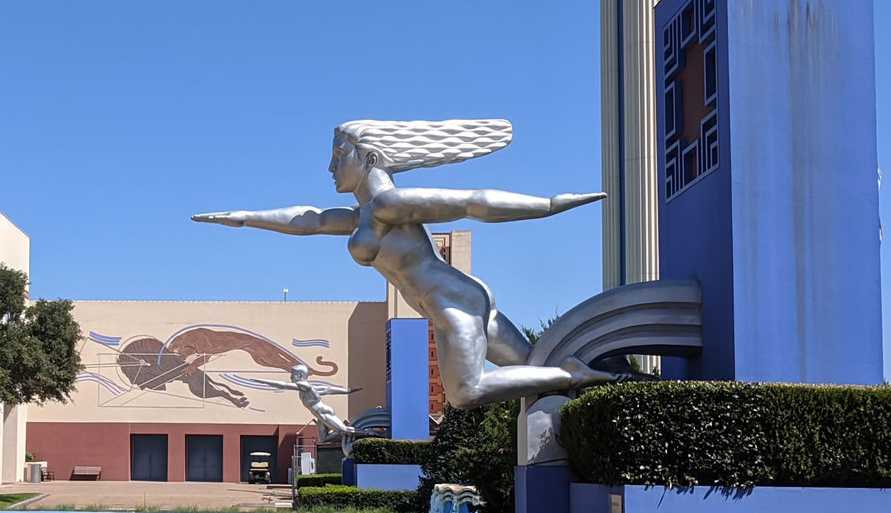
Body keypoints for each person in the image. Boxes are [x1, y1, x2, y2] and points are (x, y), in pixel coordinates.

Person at [193, 119, 617, 408]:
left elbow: (472, 203)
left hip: (454, 303)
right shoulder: (362, 216)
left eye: (339, 156)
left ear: (369, 159)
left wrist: (549, 205)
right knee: (531, 372)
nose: (330, 167)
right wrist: (244, 217)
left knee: (465, 394)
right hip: (458, 300)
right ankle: (608, 382)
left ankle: (573, 375)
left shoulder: (391, 203)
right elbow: (310, 220)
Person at [261, 363, 369, 451]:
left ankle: (370, 433)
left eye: (292, 375)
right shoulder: (309, 387)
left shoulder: (304, 385)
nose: (290, 377)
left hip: (322, 411)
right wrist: (347, 391)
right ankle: (347, 435)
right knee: (323, 438)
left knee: (344, 429)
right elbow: (328, 389)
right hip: (319, 415)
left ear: (300, 376)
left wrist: (262, 381)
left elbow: (283, 385)